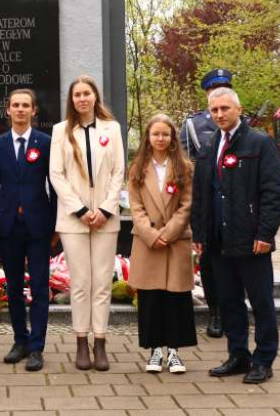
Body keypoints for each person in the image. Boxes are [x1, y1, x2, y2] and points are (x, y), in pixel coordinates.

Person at [190, 86, 280, 384]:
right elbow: (200, 194)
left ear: (239, 110)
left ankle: (264, 359)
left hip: (251, 239)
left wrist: (265, 233)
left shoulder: (260, 143)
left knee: (261, 302)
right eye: (214, 110)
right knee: (229, 301)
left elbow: (272, 193)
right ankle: (238, 354)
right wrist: (200, 233)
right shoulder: (209, 145)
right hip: (218, 240)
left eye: (225, 108)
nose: (219, 115)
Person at [50, 75, 125, 372]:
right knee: (81, 283)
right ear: (71, 99)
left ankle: (101, 342)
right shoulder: (61, 131)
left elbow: (118, 171)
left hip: (106, 218)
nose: (82, 98)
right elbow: (56, 174)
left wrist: (105, 209)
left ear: (95, 96)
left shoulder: (112, 128)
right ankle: (81, 341)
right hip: (73, 219)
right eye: (77, 94)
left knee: (102, 283)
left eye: (87, 93)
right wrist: (80, 209)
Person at [0, 89, 56, 372]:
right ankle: (20, 341)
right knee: (14, 288)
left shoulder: (46, 143)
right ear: (7, 110)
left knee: (39, 287)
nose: (20, 109)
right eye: (15, 105)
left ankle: (37, 347)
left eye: (25, 105)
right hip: (8, 226)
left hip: (38, 225)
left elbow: (55, 186)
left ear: (34, 110)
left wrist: (56, 224)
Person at [128, 113, 197, 374]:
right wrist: (150, 234)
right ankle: (155, 350)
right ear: (148, 137)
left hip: (174, 241)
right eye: (155, 134)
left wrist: (168, 234)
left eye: (165, 134)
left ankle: (175, 351)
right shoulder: (137, 168)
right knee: (151, 299)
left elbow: (187, 204)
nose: (160, 138)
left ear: (172, 138)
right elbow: (135, 207)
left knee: (176, 299)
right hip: (148, 243)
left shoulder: (184, 167)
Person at [179, 68, 235, 338]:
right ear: (206, 93)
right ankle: (215, 313)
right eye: (213, 89)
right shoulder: (193, 124)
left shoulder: (241, 123)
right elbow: (183, 161)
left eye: (224, 87)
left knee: (236, 262)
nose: (218, 93)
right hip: (208, 204)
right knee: (210, 263)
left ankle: (233, 311)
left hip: (235, 205)